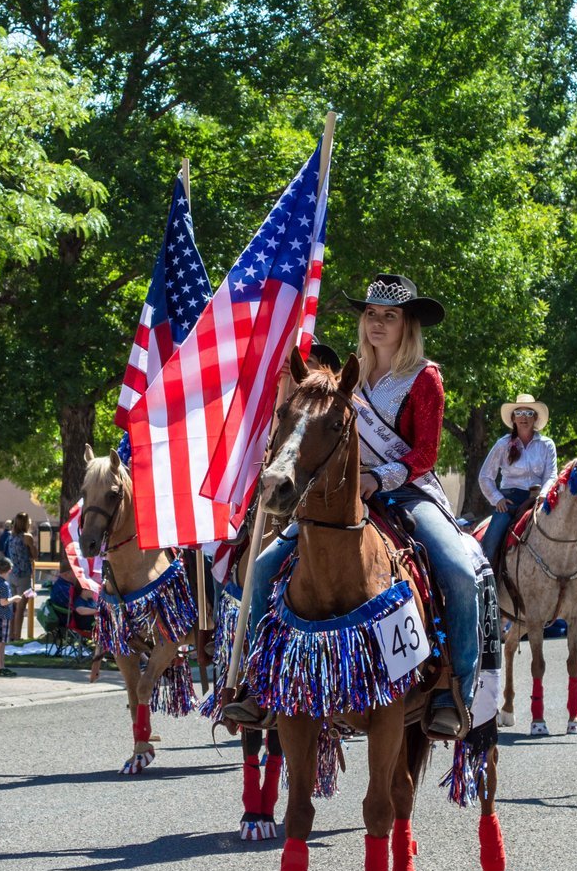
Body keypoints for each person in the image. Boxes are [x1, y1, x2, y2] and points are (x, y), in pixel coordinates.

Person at [236, 274, 480, 739]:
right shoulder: (346, 378)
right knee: (264, 568)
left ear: (407, 325)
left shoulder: (424, 377)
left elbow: (425, 453)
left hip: (408, 492)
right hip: (341, 496)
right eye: (371, 314)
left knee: (458, 571)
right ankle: (258, 682)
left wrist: (378, 477)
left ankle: (454, 689)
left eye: (390, 316)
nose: (378, 324)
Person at [477, 394, 558, 561]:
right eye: (519, 413)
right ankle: (485, 581)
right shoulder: (503, 444)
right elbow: (485, 476)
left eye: (529, 413)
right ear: (513, 418)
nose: (524, 417)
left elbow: (551, 475)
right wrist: (497, 498)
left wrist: (544, 494)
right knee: (490, 542)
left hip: (538, 499)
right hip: (510, 502)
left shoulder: (547, 444)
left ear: (535, 418)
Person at [4, 512, 35, 642]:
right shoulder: (27, 537)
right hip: (24, 574)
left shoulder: (10, 536)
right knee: (21, 607)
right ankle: (17, 636)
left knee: (13, 606)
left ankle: (10, 635)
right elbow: (35, 554)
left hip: (12, 574)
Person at [0, 558, 21, 678]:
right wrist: (15, 598)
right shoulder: (3, 584)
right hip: (3, 615)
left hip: (2, 615)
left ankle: (1, 666)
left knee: (2, 642)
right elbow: (3, 602)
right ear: (10, 570)